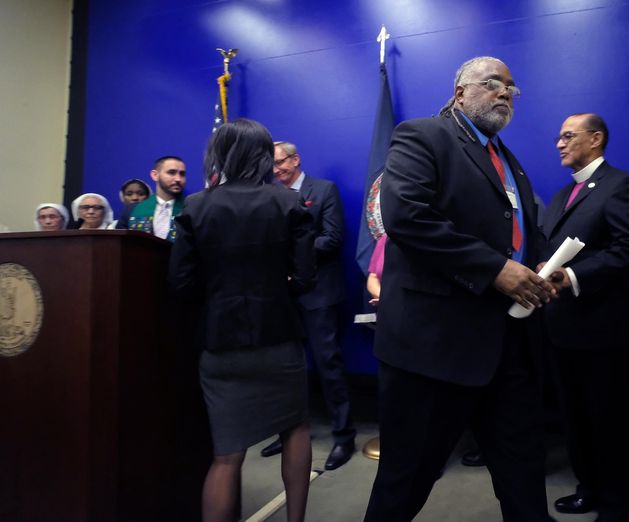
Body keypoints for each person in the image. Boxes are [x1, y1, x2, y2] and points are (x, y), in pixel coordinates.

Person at [363, 56, 560, 522]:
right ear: (460, 93)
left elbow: (516, 228)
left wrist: (536, 266)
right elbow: (408, 217)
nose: (506, 93)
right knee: (405, 482)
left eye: (512, 87)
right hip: (435, 351)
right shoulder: (422, 136)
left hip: (508, 345)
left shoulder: (506, 159)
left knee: (524, 478)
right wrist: (496, 270)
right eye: (494, 84)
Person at [168, 118, 316, 522]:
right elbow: (305, 278)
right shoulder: (288, 202)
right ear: (264, 156)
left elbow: (180, 285)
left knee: (226, 456)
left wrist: (217, 293)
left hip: (220, 343)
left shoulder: (196, 206)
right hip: (279, 337)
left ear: (219, 155)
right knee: (296, 430)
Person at [541, 113, 629, 521]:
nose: (560, 144)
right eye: (559, 136)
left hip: (603, 330)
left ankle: (620, 509)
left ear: (596, 138)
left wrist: (570, 275)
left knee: (609, 422)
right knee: (576, 419)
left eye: (568, 136)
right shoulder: (560, 196)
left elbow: (628, 249)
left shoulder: (620, 185)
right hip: (563, 328)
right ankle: (589, 488)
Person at [260, 141, 356, 470]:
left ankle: (344, 436)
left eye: (280, 163)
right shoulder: (270, 193)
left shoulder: (323, 189)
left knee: (328, 365)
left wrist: (290, 249)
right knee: (285, 368)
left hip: (319, 293)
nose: (275, 170)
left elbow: (332, 239)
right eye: (270, 165)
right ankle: (287, 432)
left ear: (296, 159)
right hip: (282, 295)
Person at [116, 156, 187, 241]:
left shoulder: (192, 209)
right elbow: (120, 245)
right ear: (155, 175)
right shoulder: (131, 210)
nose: (178, 179)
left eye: (182, 174)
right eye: (171, 173)